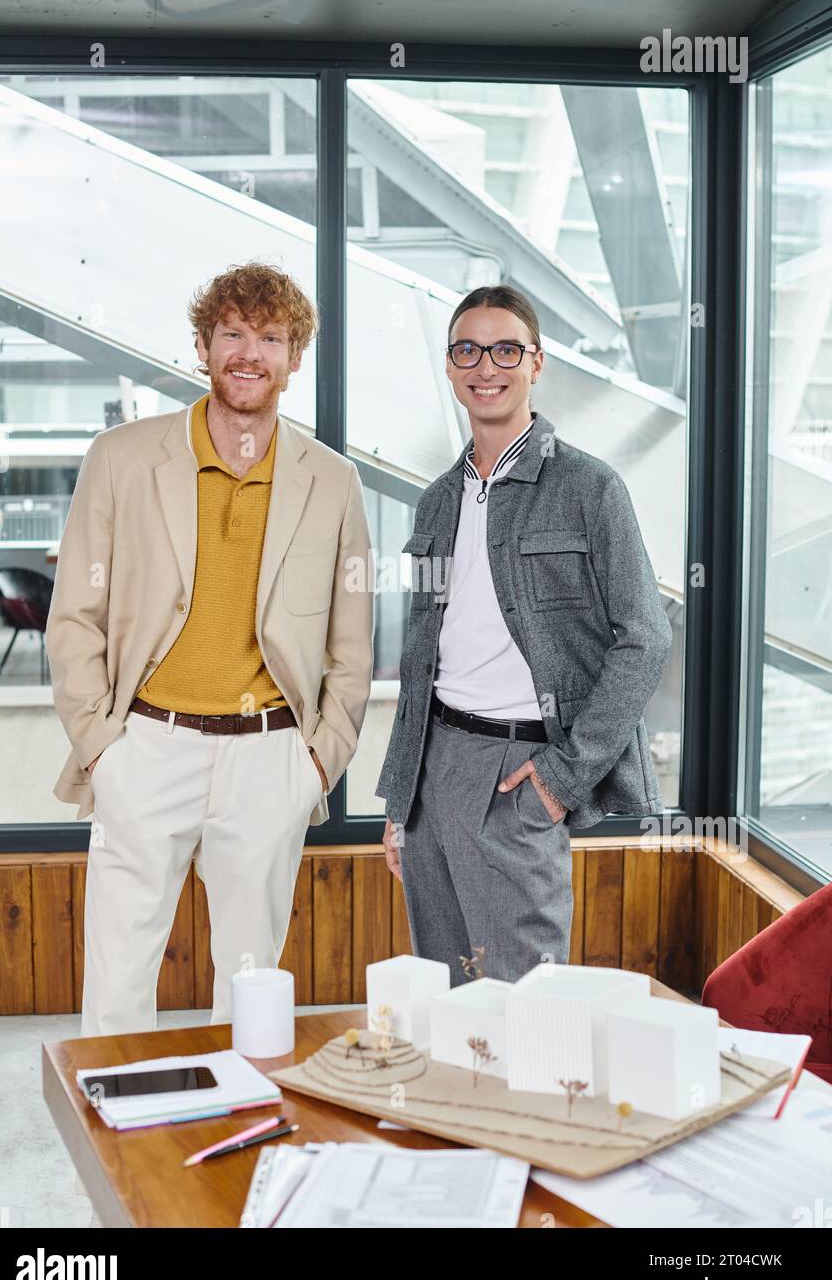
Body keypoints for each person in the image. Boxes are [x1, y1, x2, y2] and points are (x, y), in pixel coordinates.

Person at [46, 261, 374, 1035]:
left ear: (296, 358)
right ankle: (119, 1143)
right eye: (232, 332)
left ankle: (244, 1139)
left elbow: (352, 646)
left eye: (270, 337)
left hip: (271, 756)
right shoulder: (122, 460)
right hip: (145, 747)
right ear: (202, 346)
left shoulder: (333, 482)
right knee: (119, 982)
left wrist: (317, 761)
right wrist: (102, 748)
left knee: (252, 987)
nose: (249, 352)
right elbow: (74, 619)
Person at [376, 285, 672, 987]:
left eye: (506, 348)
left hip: (522, 773)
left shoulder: (590, 489)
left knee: (524, 1002)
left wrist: (563, 779)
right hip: (431, 767)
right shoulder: (436, 500)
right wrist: (399, 803)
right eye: (468, 350)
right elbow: (422, 661)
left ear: (536, 363)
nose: (487, 365)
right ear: (450, 368)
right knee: (446, 995)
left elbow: (647, 636)